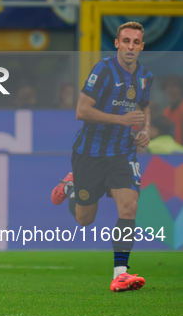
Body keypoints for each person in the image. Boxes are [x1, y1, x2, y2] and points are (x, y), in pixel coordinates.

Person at [51, 21, 151, 292]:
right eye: (126, 41)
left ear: (142, 46)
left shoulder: (144, 76)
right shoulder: (103, 70)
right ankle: (72, 188)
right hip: (89, 154)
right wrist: (121, 120)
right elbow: (81, 111)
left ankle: (121, 273)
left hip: (122, 153)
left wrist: (144, 131)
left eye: (136, 42)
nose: (131, 46)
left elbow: (143, 106)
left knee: (129, 207)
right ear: (117, 43)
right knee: (85, 219)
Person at [161, 76, 183, 144]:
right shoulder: (166, 112)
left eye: (174, 86)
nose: (170, 90)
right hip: (170, 152)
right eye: (168, 87)